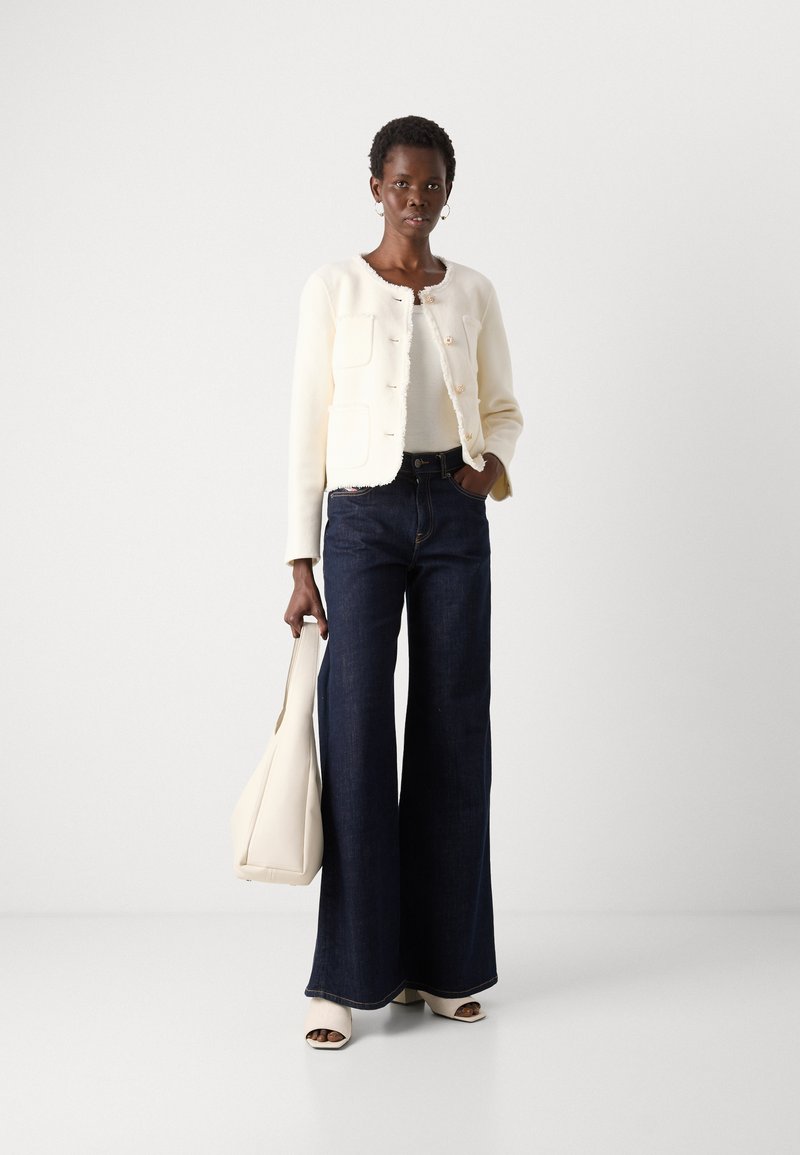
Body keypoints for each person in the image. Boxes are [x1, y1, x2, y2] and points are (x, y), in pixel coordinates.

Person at [282, 115, 524, 1048]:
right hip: (362, 520)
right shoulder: (334, 287)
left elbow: (503, 408)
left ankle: (446, 967)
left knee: (455, 732)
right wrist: (299, 558)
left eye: (430, 184)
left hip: (454, 515)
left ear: (447, 193)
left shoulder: (474, 290)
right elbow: (307, 424)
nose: (414, 198)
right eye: (400, 182)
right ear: (376, 187)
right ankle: (345, 979)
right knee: (354, 734)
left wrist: (488, 467)